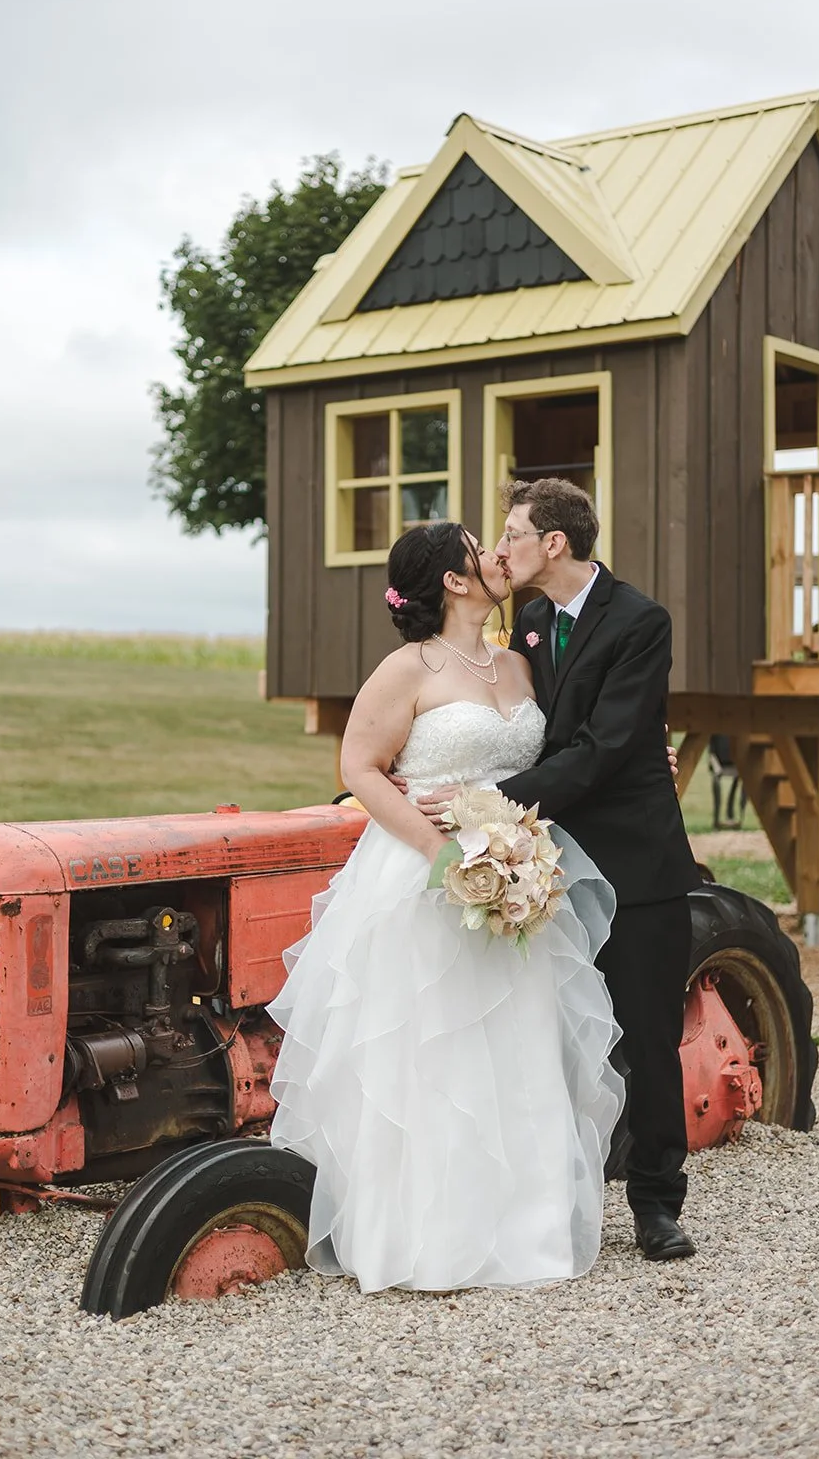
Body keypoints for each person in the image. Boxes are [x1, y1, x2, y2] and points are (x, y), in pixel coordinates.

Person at [268, 521, 624, 1293]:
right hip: (418, 879)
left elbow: (566, 754)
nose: (499, 555)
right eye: (479, 549)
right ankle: (423, 1241)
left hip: (516, 874)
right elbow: (359, 768)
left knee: (517, 1042)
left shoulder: (519, 660)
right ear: (454, 581)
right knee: (432, 1048)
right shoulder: (407, 668)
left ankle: (524, 1237)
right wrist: (441, 857)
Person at [417, 478, 700, 1263]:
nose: (498, 547)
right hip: (545, 866)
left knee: (646, 1035)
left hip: (635, 863)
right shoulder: (532, 620)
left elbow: (605, 749)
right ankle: (550, 1195)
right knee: (548, 1034)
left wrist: (482, 797)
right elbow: (524, 728)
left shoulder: (641, 621)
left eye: (510, 532)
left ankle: (654, 1205)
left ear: (554, 543)